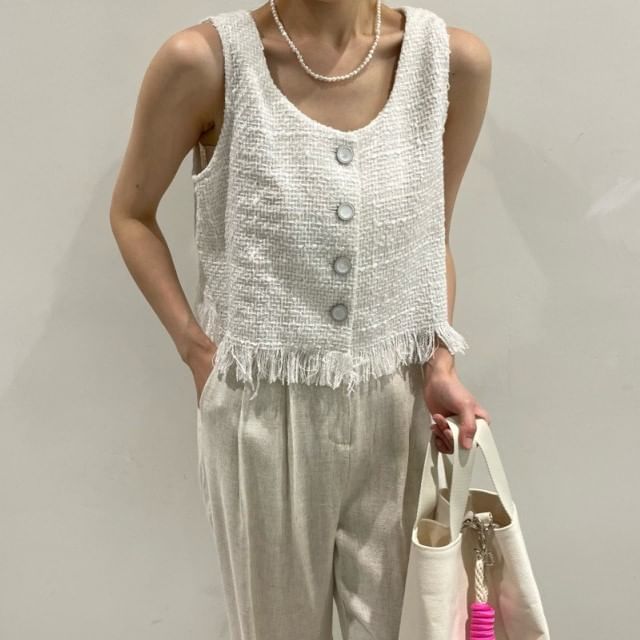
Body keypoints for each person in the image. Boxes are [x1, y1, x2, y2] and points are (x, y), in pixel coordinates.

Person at [110, 1, 492, 638]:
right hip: (261, 414)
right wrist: (197, 352)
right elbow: (131, 213)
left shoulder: (449, 62)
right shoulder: (207, 62)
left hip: (401, 411)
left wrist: (440, 361)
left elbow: (432, 237)